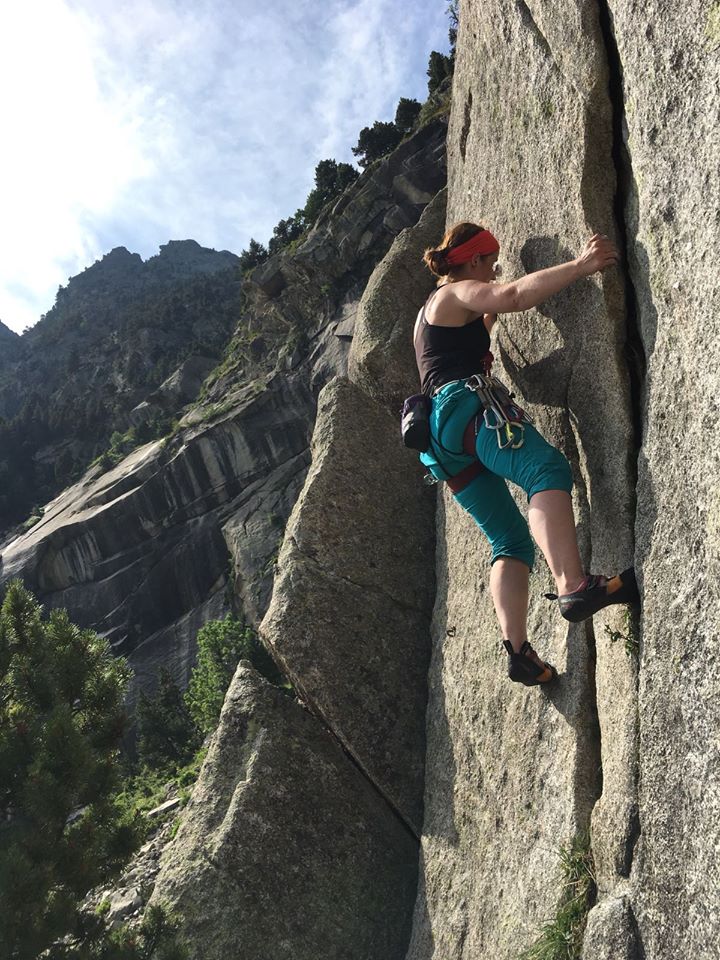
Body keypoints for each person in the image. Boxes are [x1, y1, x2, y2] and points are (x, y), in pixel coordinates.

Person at [414, 222, 638, 686]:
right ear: (472, 261)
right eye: (489, 261)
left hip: (442, 445)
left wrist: (489, 324)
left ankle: (518, 654)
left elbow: (481, 325)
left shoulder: (431, 314)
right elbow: (512, 296)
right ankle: (574, 587)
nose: (494, 269)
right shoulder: (455, 294)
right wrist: (581, 265)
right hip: (465, 411)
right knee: (545, 469)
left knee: (510, 543)